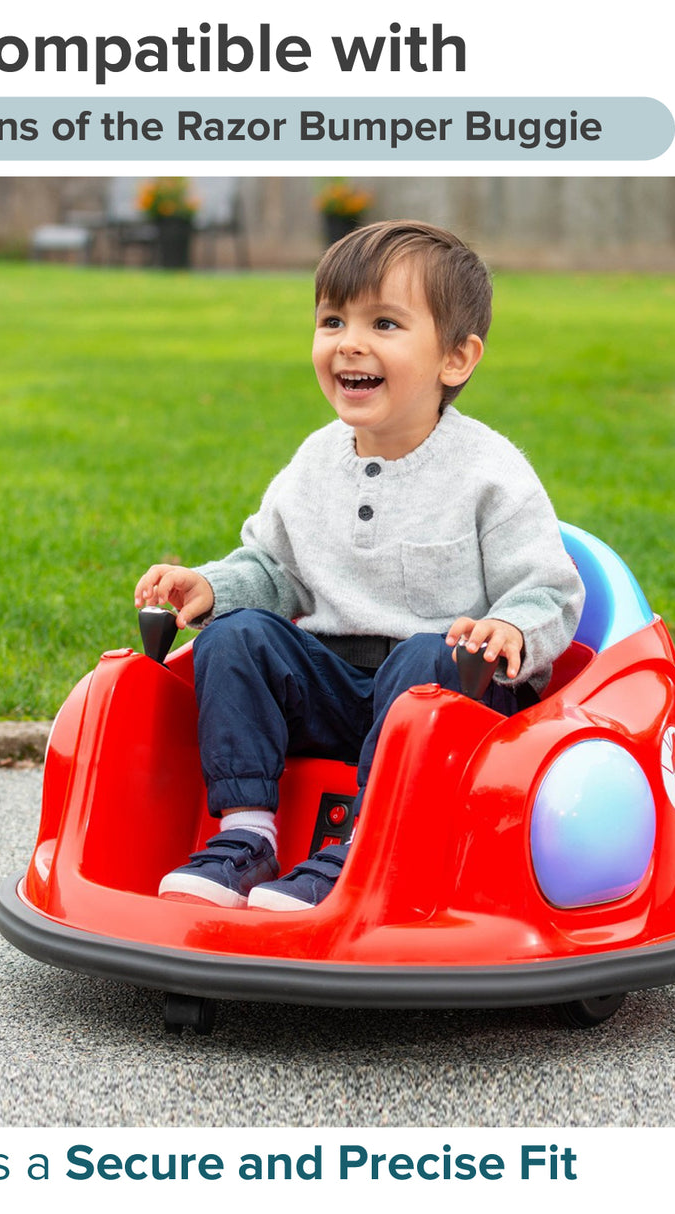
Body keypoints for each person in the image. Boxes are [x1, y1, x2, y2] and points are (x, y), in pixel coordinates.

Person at [133, 219, 584, 911]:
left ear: (456, 358)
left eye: (384, 323)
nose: (349, 342)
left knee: (424, 657)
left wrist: (511, 632)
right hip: (335, 687)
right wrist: (211, 586)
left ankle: (366, 846)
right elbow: (275, 570)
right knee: (236, 635)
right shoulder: (315, 461)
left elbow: (548, 590)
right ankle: (246, 836)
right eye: (333, 320)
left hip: (452, 704)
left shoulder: (491, 473)